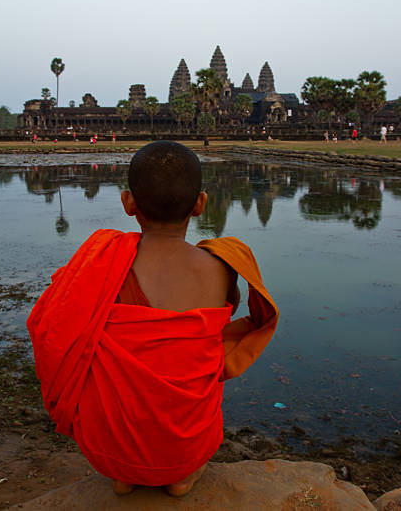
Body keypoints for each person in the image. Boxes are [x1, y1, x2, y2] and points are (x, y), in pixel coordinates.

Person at [27, 141, 278, 498]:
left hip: (107, 454)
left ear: (128, 203)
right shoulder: (222, 267)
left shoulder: (104, 261)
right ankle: (182, 477)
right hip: (184, 451)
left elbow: (51, 327)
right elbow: (229, 322)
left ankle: (125, 475)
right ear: (200, 204)